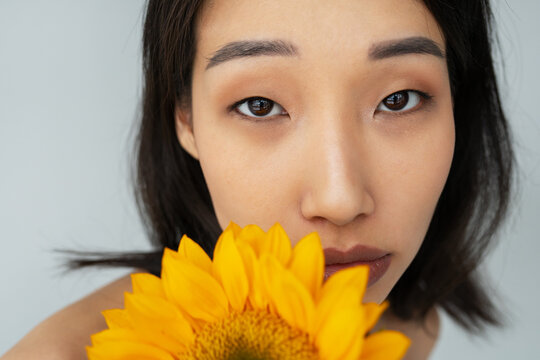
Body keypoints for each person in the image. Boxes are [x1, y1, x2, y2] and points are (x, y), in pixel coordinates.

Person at [1, 0, 514, 359]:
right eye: (260, 105)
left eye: (398, 99)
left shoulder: (405, 325)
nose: (339, 199)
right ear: (186, 119)